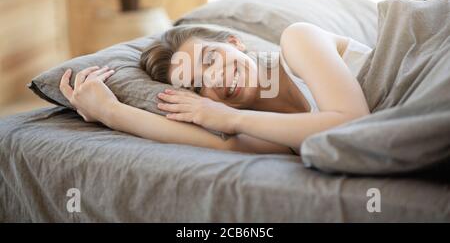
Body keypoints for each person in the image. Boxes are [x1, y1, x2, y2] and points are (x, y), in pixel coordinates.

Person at [59, 22, 372, 156]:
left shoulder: (298, 40)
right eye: (196, 86)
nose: (214, 80)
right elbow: (226, 146)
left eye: (210, 58)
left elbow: (354, 125)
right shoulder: (273, 135)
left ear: (235, 43)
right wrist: (109, 111)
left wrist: (230, 118)